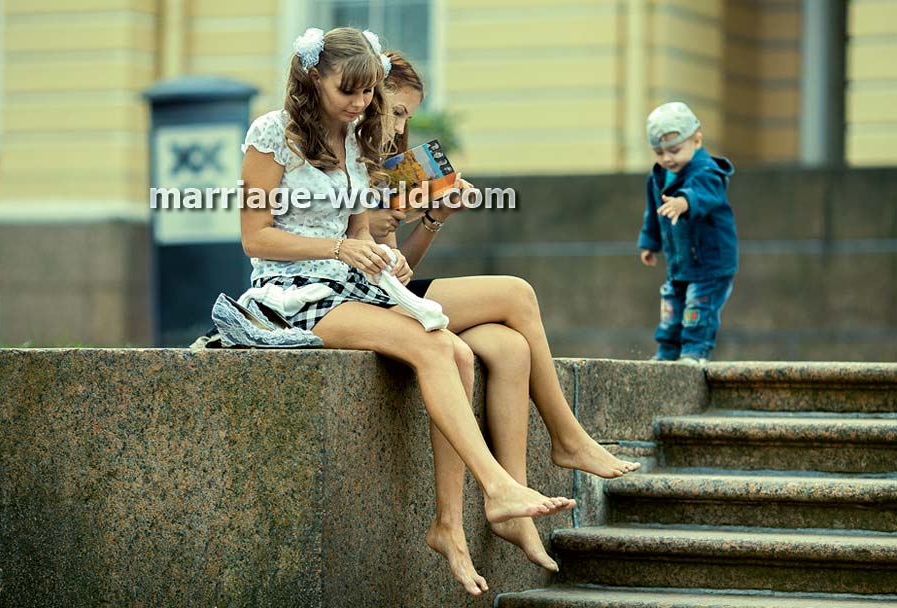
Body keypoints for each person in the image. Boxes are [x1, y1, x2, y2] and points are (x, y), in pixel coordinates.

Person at [238, 27, 574, 597]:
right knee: (430, 343)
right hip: (289, 294)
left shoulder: (351, 141)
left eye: (369, 93)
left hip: (348, 281)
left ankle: (448, 524)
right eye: (350, 90)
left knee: (455, 349)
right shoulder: (270, 134)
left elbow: (358, 231)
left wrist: (386, 254)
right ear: (313, 78)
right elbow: (255, 238)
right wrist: (341, 248)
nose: (361, 103)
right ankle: (497, 487)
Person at [368, 52, 641, 588]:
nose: (400, 127)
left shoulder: (391, 163)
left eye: (407, 117)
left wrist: (431, 221)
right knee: (517, 294)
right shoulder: (346, 155)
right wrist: (366, 227)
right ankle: (566, 436)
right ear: (368, 97)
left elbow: (402, 266)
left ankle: (511, 507)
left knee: (511, 349)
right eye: (395, 112)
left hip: (392, 292)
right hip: (359, 302)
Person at [637, 101, 738, 362]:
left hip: (710, 263)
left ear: (697, 140)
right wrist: (650, 242)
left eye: (674, 150)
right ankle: (668, 350)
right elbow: (654, 213)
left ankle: (695, 351)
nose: (667, 158)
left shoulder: (707, 171)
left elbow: (705, 194)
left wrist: (684, 202)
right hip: (680, 261)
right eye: (659, 153)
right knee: (671, 308)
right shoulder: (658, 178)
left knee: (698, 307)